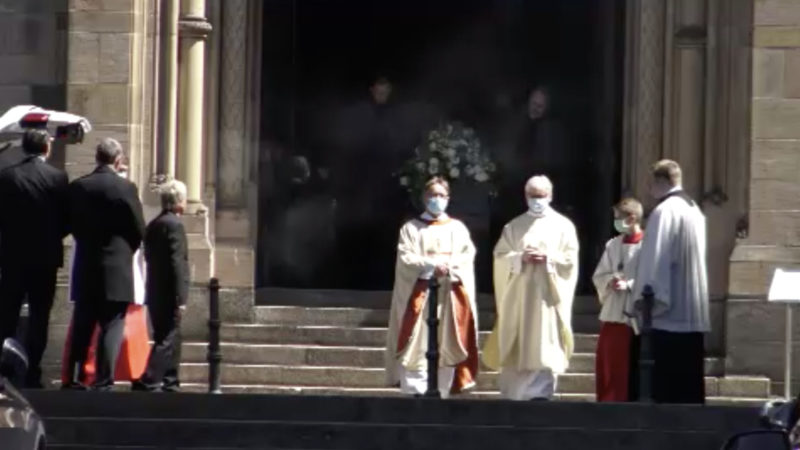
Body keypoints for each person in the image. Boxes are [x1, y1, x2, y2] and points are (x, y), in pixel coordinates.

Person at [483, 175, 579, 401]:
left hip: (546, 299)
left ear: (551, 196)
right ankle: (514, 393)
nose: (537, 200)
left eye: (542, 196)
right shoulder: (514, 226)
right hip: (519, 298)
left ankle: (541, 394)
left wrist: (548, 259)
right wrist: (519, 258)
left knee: (543, 345)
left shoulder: (564, 226)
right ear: (526, 196)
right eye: (533, 196)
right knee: (517, 345)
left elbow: (570, 261)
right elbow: (500, 257)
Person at [63, 138, 146, 390]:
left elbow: (70, 223)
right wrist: (124, 250)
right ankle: (104, 379)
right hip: (117, 266)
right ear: (118, 161)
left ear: (97, 158)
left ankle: (75, 377)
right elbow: (138, 229)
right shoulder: (126, 188)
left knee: (83, 324)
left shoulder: (79, 187)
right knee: (112, 325)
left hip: (87, 262)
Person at [385, 177, 479, 398]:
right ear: (424, 198)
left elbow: (467, 256)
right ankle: (415, 390)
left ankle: (443, 390)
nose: (436, 200)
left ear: (448, 198)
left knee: (447, 342)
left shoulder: (458, 228)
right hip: (420, 294)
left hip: (449, 295)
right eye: (432, 195)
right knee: (416, 344)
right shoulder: (411, 228)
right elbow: (406, 258)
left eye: (441, 195)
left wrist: (448, 268)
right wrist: (430, 266)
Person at [631, 159, 709, 404]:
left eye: (650, 183)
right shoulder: (694, 208)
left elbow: (656, 259)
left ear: (661, 181)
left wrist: (647, 301)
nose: (648, 189)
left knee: (662, 388)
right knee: (687, 389)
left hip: (669, 315)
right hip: (691, 311)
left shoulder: (664, 212)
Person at [0, 129, 69, 388]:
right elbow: (66, 220)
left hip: (12, 256)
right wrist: (51, 237)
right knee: (40, 316)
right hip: (45, 258)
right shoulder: (57, 178)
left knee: (7, 314)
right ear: (46, 148)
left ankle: (4, 370)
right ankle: (32, 372)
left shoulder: (6, 177)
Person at [132, 179, 190, 392]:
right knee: (167, 337)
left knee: (170, 335)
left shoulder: (155, 224)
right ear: (179, 201)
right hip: (167, 291)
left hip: (155, 289)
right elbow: (177, 262)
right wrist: (180, 296)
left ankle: (170, 379)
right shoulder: (174, 225)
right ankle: (150, 377)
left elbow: (149, 256)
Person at [592, 198, 644, 402]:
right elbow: (599, 275)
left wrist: (630, 284)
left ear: (631, 218)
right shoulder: (613, 244)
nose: (616, 222)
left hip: (633, 317)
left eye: (618, 218)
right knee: (608, 365)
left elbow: (652, 277)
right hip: (613, 312)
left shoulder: (647, 245)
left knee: (627, 368)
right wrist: (609, 280)